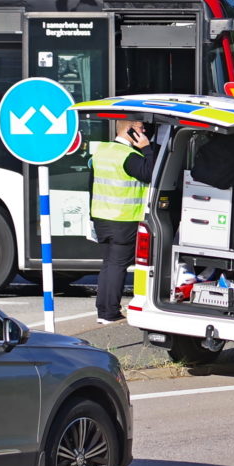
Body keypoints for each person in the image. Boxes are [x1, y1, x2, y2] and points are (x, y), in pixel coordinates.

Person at [90, 117, 157, 324]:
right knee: (118, 265)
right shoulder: (128, 156)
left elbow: (90, 184)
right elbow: (149, 173)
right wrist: (147, 148)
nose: (144, 130)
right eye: (140, 127)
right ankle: (109, 313)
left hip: (102, 216)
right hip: (124, 219)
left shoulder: (101, 151)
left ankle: (103, 309)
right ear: (129, 130)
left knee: (109, 264)